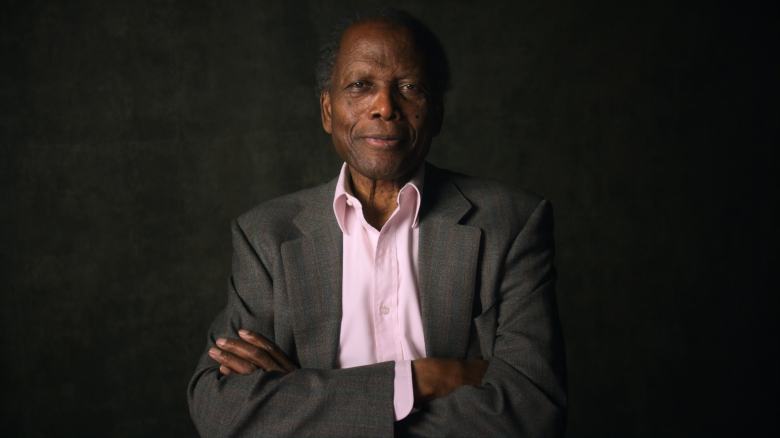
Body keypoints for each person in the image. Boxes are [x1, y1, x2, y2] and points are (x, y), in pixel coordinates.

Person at [188, 8, 566, 437]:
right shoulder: (265, 237)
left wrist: (304, 402)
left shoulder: (511, 224)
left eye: (410, 87)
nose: (385, 107)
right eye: (360, 85)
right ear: (327, 110)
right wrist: (419, 379)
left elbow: (533, 412)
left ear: (437, 112)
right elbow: (221, 409)